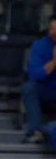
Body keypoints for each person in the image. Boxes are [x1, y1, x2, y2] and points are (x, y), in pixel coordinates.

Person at [23, 16, 56, 144]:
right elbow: (33, 74)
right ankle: (36, 131)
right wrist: (53, 62)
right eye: (51, 28)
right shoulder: (40, 45)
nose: (53, 32)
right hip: (46, 88)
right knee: (29, 87)